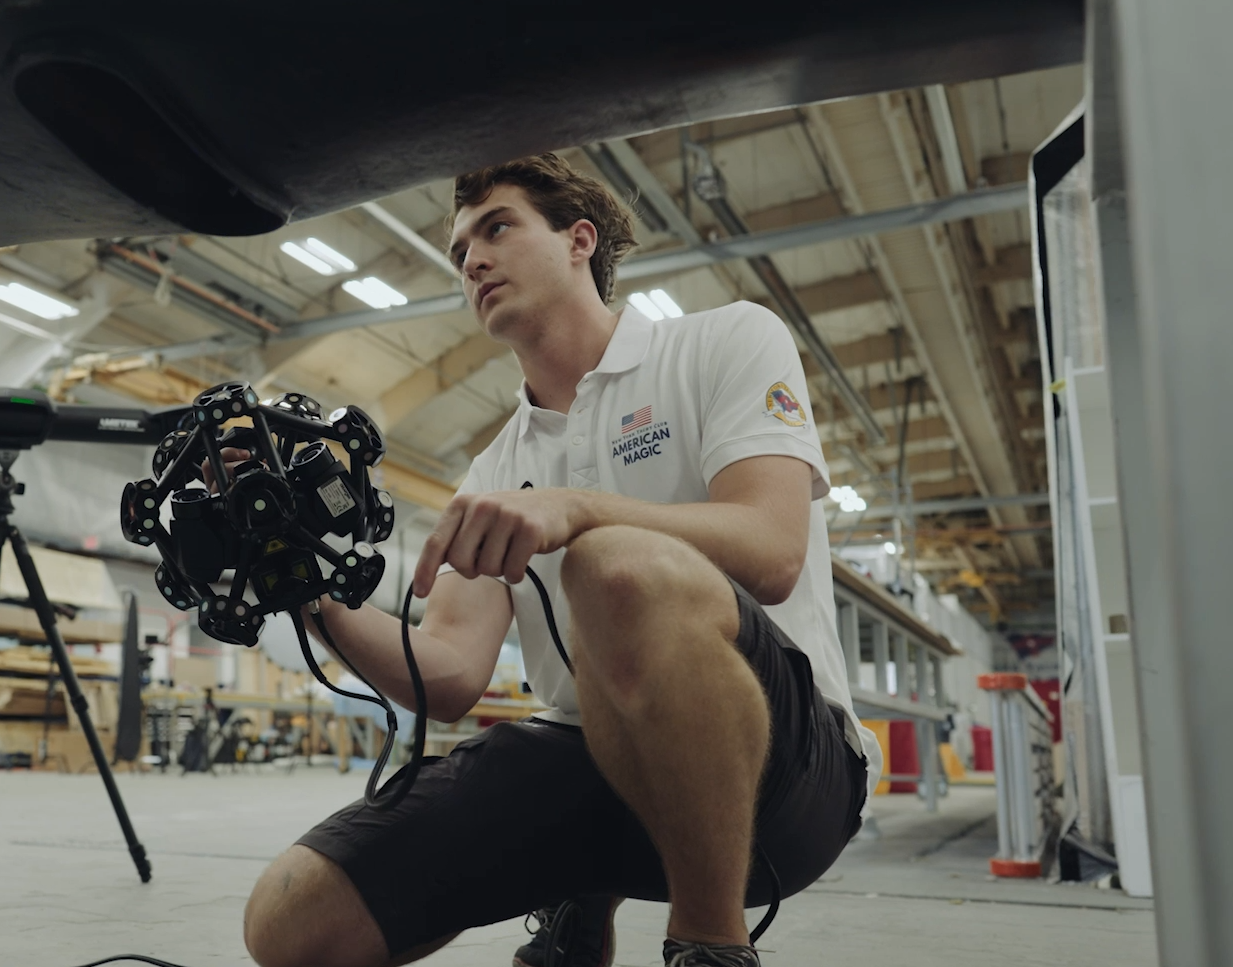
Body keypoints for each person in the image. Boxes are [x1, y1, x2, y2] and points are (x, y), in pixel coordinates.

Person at [235, 154, 877, 967]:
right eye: (460, 250)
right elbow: (449, 672)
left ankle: (711, 941)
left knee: (612, 564)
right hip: (592, 762)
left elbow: (774, 548)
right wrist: (309, 589)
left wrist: (578, 508)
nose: (472, 259)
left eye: (496, 227)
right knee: (290, 921)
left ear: (580, 240)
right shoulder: (494, 469)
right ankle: (583, 891)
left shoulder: (725, 341)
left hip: (784, 776)